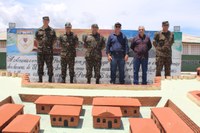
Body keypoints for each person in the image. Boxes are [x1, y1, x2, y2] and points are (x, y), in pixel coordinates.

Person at [35, 16, 57, 83]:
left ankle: (50, 80)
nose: (45, 21)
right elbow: (36, 39)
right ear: (43, 21)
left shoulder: (52, 30)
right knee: (40, 65)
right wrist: (40, 45)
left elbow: (55, 40)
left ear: (48, 21)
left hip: (49, 52)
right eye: (44, 20)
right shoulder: (39, 30)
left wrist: (50, 46)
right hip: (40, 51)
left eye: (47, 20)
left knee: (49, 66)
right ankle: (40, 79)